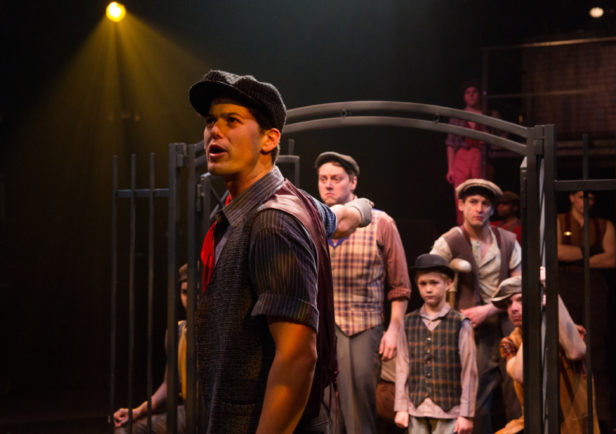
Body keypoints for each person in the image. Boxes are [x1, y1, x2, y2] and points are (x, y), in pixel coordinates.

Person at [189, 69, 374, 434]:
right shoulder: (293, 202)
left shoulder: (273, 221)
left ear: (270, 139)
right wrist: (364, 208)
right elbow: (340, 217)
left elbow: (297, 358)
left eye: (232, 120)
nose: (215, 131)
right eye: (211, 120)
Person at [315, 151, 411, 434]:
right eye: (323, 179)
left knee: (359, 410)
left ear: (352, 182)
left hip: (362, 326)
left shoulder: (381, 223)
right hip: (321, 328)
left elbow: (400, 284)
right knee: (323, 408)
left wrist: (394, 328)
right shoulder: (314, 221)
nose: (328, 185)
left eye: (336, 178)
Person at [429, 178, 521, 434]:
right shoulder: (449, 241)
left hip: (508, 327)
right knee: (476, 399)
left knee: (517, 392)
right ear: (461, 205)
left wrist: (490, 309)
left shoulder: (508, 241)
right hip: (471, 332)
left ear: (492, 209)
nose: (479, 208)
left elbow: (519, 285)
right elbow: (430, 280)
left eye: (485, 203)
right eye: (473, 202)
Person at [491, 274, 600, 434]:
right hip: (537, 422)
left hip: (574, 424)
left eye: (521, 300)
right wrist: (533, 321)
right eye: (509, 303)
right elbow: (520, 374)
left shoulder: (569, 331)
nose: (513, 308)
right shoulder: (510, 342)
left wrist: (552, 294)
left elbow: (576, 352)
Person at [394, 254, 478, 434]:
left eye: (434, 283)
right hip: (416, 408)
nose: (428, 289)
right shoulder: (408, 322)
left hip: (449, 410)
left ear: (448, 283)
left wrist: (467, 414)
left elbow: (469, 371)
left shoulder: (460, 323)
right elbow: (402, 366)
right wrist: (401, 407)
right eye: (423, 284)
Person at [556, 190, 616, 429]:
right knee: (567, 345)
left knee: (596, 348)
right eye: (581, 196)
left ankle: (601, 416)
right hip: (566, 284)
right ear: (572, 198)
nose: (585, 201)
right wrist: (592, 253)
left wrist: (576, 256)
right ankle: (571, 414)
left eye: (590, 197)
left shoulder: (604, 224)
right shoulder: (560, 220)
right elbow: (558, 252)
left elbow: (611, 259)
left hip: (595, 287)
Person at [113, 264, 189, 434]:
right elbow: (169, 385)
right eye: (185, 293)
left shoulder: (217, 330)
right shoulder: (176, 332)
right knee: (124, 431)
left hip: (213, 412)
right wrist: (138, 411)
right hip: (186, 411)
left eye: (197, 292)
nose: (190, 299)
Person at [445, 82, 489, 225]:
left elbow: (501, 137)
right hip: (461, 156)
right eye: (467, 92)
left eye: (474, 91)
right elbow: (451, 143)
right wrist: (450, 168)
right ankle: (462, 228)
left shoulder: (487, 115)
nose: (471, 95)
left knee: (479, 193)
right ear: (464, 96)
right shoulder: (457, 117)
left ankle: (479, 227)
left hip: (479, 156)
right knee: (460, 195)